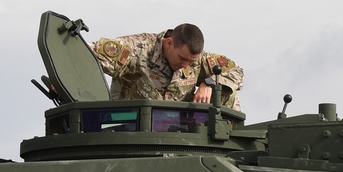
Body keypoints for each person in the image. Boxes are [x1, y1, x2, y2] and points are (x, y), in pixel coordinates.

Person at [90, 23, 244, 110]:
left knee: (227, 92)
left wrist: (209, 84)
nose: (186, 65)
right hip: (132, 131)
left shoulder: (197, 60)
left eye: (191, 62)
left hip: (178, 135)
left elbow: (237, 72)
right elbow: (85, 54)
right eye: (183, 59)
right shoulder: (137, 49)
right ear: (169, 43)